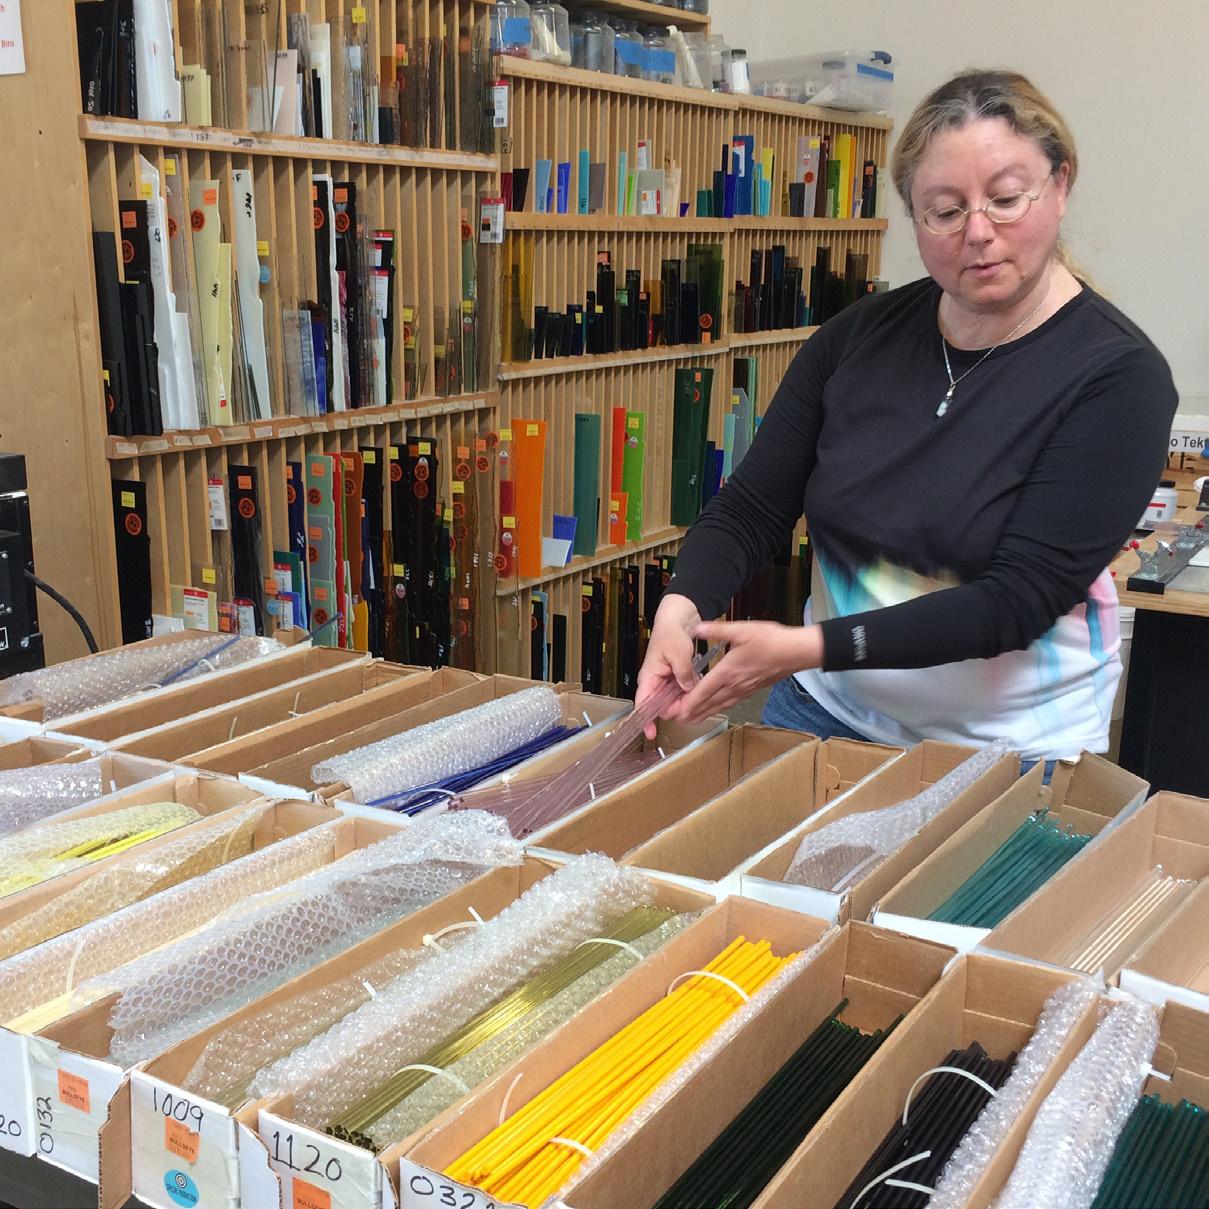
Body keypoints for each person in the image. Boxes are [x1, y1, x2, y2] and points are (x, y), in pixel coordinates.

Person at [636, 69, 1178, 765]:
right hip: (825, 708)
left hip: (1006, 748)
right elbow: (753, 507)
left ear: (1060, 185)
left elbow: (1015, 600)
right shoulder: (857, 337)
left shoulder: (1117, 378)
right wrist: (680, 606)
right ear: (913, 217)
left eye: (1006, 199)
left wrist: (809, 646)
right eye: (944, 211)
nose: (978, 232)